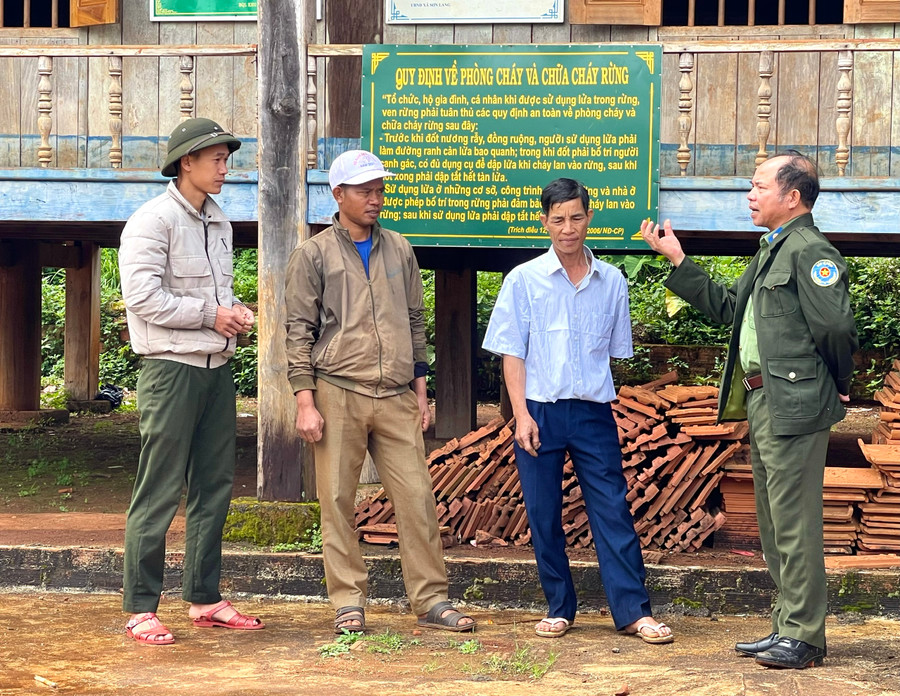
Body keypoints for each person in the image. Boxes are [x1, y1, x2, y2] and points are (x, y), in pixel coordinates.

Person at [641, 151, 858, 669]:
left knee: (793, 522)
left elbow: (836, 329)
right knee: (772, 520)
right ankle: (788, 625)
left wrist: (838, 383)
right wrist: (679, 260)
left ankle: (805, 635)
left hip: (796, 401)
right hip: (763, 399)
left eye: (759, 186)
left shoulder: (810, 250)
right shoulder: (771, 252)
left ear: (792, 196)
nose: (750, 194)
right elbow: (727, 309)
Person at [284, 149, 475, 635]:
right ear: (338, 194)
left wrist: (420, 387)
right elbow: (298, 330)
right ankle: (348, 601)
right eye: (365, 191)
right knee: (337, 500)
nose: (375, 198)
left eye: (380, 190)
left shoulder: (400, 248)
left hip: (395, 395)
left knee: (417, 499)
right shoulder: (314, 255)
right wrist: (304, 400)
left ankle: (431, 599)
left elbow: (414, 319)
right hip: (337, 392)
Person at [482, 177, 673, 644]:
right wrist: (521, 415)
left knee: (612, 509)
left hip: (592, 413)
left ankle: (633, 612)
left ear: (590, 217)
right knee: (543, 512)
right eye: (558, 219)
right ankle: (558, 607)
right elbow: (512, 353)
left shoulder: (612, 282)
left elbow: (613, 352)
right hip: (539, 413)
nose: (568, 228)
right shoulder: (523, 280)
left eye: (576, 217)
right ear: (544, 221)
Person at [118, 117, 264, 645]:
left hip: (216, 371)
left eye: (227, 159)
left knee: (215, 488)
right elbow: (142, 298)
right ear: (188, 163)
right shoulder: (151, 221)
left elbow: (213, 301)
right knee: (158, 489)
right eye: (218, 160)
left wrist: (231, 314)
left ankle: (203, 598)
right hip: (169, 371)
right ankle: (140, 608)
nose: (227, 169)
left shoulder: (219, 222)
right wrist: (211, 314)